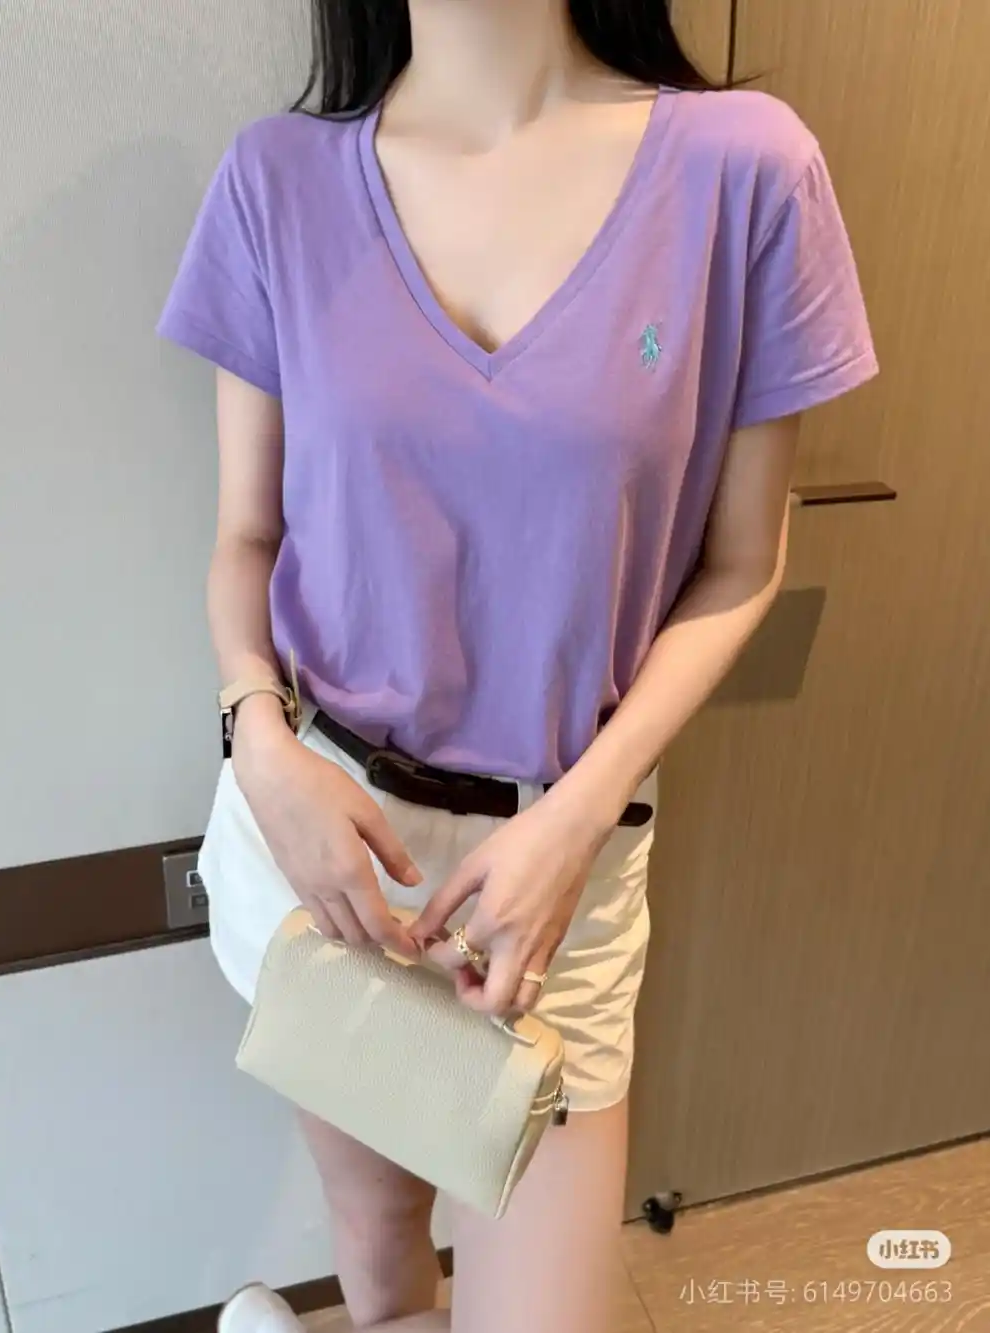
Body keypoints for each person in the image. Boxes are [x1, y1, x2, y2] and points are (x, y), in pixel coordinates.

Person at [157, 0, 877, 1328]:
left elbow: (742, 563)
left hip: (563, 876)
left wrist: (580, 816)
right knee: (383, 1266)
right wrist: (259, 743)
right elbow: (246, 537)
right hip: (324, 847)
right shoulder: (278, 181)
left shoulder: (745, 171)